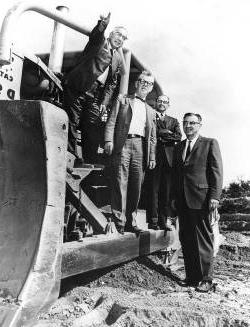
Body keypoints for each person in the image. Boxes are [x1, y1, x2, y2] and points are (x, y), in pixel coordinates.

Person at [63, 13, 127, 163]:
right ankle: (72, 157)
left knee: (92, 125)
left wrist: (104, 102)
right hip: (78, 87)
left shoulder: (118, 58)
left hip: (96, 94)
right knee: (73, 120)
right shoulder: (99, 42)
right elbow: (96, 34)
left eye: (124, 38)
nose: (120, 39)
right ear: (111, 34)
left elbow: (111, 83)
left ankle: (89, 159)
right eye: (118, 34)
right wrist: (102, 24)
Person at [171, 113, 223, 292]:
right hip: (182, 200)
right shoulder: (179, 147)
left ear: (200, 125)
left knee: (203, 239)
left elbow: (216, 171)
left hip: (201, 199)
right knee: (186, 239)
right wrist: (174, 199)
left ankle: (206, 279)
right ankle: (192, 277)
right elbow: (176, 175)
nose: (188, 126)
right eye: (185, 123)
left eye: (192, 123)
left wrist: (215, 196)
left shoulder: (209, 143)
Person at [104, 71, 157, 234]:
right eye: (142, 81)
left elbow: (153, 137)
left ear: (151, 88)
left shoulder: (151, 110)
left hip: (141, 146)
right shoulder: (123, 99)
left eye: (148, 83)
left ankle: (131, 222)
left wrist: (152, 156)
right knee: (121, 181)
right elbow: (111, 121)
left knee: (136, 185)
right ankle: (119, 221)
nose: (144, 85)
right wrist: (108, 140)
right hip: (124, 143)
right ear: (136, 83)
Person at [147, 95, 182, 230]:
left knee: (165, 191)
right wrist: (164, 132)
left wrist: (162, 134)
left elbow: (178, 136)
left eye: (165, 102)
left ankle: (163, 221)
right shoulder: (150, 117)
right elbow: (152, 133)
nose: (162, 103)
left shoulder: (173, 121)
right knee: (153, 190)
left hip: (168, 159)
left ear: (168, 105)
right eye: (160, 101)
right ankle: (153, 221)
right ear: (156, 103)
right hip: (153, 156)